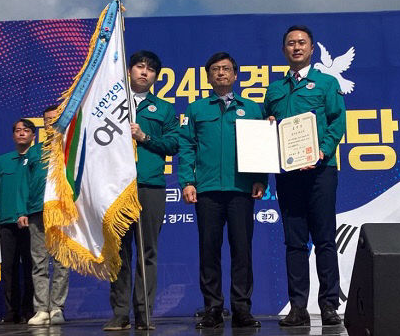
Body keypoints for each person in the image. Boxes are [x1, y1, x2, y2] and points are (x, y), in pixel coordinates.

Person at [264, 25, 346, 326]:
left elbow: (338, 122)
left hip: (321, 171)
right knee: (294, 242)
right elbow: (265, 129)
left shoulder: (325, 83)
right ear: (284, 50)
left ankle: (328, 305)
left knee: (325, 239)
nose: (296, 47)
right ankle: (298, 307)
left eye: (302, 43)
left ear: (312, 49)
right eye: (290, 43)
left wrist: (322, 151)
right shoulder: (274, 89)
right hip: (288, 175)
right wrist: (269, 122)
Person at [179, 52, 267, 329]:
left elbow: (260, 148)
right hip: (207, 190)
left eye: (226, 69)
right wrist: (187, 182)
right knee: (209, 251)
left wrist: (260, 179)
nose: (221, 73)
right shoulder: (196, 110)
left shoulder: (253, 109)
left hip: (241, 189)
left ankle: (242, 309)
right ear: (208, 76)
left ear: (235, 75)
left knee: (242, 250)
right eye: (215, 69)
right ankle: (213, 309)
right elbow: (187, 148)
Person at [103, 50, 179, 331]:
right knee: (119, 253)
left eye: (150, 69)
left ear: (156, 77)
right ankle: (120, 313)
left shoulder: (164, 109)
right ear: (129, 71)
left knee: (148, 252)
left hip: (150, 186)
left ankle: (144, 313)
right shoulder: (110, 106)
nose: (144, 72)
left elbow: (173, 144)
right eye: (139, 66)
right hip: (117, 187)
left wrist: (144, 137)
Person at [26, 106, 70, 326]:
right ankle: (41, 309)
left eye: (54, 119)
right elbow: (25, 184)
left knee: (61, 263)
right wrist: (23, 211)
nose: (50, 123)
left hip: (61, 212)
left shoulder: (68, 149)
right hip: (37, 211)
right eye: (47, 120)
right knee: (39, 263)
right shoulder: (34, 152)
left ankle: (57, 308)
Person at [0, 118, 36, 323]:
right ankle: (11, 312)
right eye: (18, 130)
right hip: (6, 222)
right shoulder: (1, 162)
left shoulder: (38, 159)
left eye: (26, 130)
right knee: (8, 268)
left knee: (30, 265)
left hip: (30, 220)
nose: (21, 133)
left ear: (33, 136)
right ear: (13, 136)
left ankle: (30, 310)